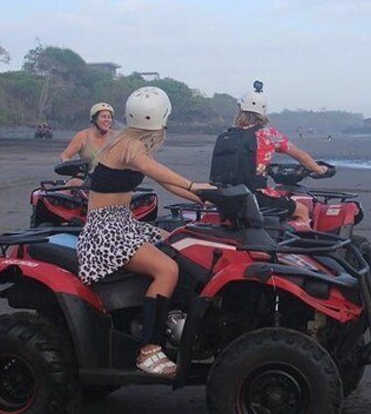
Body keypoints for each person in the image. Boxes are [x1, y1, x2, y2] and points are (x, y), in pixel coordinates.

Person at [77, 86, 213, 377]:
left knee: (177, 242)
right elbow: (157, 172)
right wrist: (194, 186)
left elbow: (167, 184)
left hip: (122, 222)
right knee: (167, 270)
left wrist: (207, 196)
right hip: (106, 230)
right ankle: (148, 350)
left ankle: (174, 320)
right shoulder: (131, 148)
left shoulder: (125, 140)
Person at [210, 81, 327, 229]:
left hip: (227, 196)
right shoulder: (268, 134)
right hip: (254, 196)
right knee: (302, 210)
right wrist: (319, 170)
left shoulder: (228, 135)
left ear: (240, 110)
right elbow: (301, 156)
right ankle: (301, 249)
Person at [60, 102, 115, 185]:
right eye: (103, 117)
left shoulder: (117, 137)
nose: (107, 120)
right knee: (74, 183)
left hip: (114, 179)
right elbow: (65, 156)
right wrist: (73, 168)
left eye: (109, 117)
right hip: (88, 180)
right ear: (94, 119)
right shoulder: (83, 136)